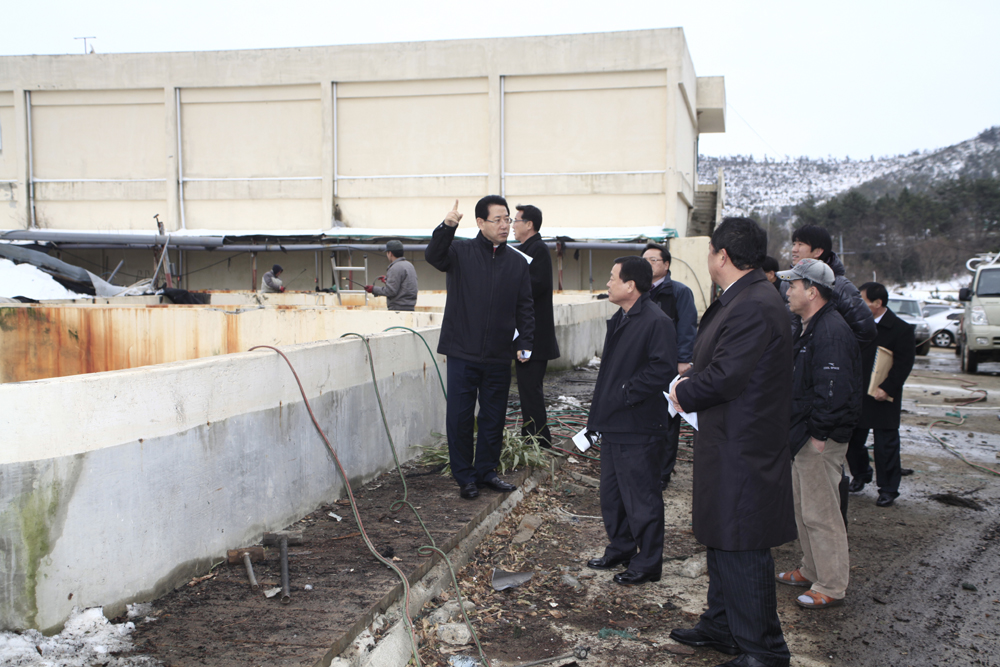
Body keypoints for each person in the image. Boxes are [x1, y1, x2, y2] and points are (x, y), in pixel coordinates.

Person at [668, 217, 795, 667]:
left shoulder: (754, 305)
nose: (708, 260)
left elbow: (726, 376)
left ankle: (764, 650)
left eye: (709, 253)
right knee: (723, 537)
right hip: (728, 439)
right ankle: (722, 625)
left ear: (722, 256)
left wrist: (683, 391)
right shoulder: (742, 299)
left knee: (742, 543)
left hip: (744, 446)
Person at [425, 197, 535, 500]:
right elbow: (433, 256)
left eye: (508, 219)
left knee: (493, 416)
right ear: (480, 223)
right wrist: (447, 226)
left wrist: (525, 341)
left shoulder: (516, 261)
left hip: (500, 354)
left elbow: (525, 305)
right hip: (463, 351)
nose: (504, 225)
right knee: (460, 417)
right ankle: (465, 477)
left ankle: (486, 471)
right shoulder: (460, 252)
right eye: (498, 219)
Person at [776, 259, 862, 610]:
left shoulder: (830, 332)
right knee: (805, 509)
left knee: (822, 513)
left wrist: (820, 434)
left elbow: (834, 389)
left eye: (794, 285)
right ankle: (811, 569)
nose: (788, 291)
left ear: (812, 291)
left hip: (818, 437)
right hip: (803, 433)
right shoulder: (809, 327)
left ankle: (831, 584)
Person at [585, 256, 676, 586]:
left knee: (642, 497)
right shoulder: (621, 318)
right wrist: (598, 415)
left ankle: (648, 562)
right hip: (614, 423)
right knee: (613, 495)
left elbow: (662, 369)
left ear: (630, 285)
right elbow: (609, 374)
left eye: (612, 278)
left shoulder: (656, 321)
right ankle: (621, 547)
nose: (608, 283)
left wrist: (625, 393)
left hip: (638, 424)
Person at [846, 282, 915, 507]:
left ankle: (888, 488)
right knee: (852, 440)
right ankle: (861, 474)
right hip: (857, 392)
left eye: (863, 301)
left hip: (882, 394)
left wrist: (888, 387)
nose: (858, 305)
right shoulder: (855, 325)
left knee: (885, 445)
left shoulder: (900, 329)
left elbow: (903, 364)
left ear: (878, 303)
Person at [641, 242, 697, 489]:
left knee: (668, 418)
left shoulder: (679, 292)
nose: (649, 264)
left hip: (668, 365)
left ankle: (663, 472)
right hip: (643, 365)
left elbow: (687, 327)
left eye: (654, 260)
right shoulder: (639, 290)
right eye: (645, 259)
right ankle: (645, 466)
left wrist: (684, 360)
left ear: (666, 264)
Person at [512, 204, 560, 447]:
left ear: (529, 224)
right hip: (527, 335)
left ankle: (539, 440)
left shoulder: (537, 249)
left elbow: (534, 286)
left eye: (516, 220)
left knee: (531, 390)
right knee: (527, 390)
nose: (512, 225)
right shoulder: (526, 249)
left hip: (534, 336)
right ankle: (531, 436)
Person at [782, 225, 876, 348]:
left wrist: (834, 353)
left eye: (801, 244)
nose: (794, 249)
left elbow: (866, 331)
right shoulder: (787, 282)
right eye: (794, 244)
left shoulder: (841, 287)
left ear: (818, 252)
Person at [366, 240, 418, 311]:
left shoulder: (395, 268)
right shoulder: (410, 265)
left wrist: (373, 289)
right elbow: (404, 285)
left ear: (390, 253)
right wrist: (388, 281)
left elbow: (390, 291)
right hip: (410, 307)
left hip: (397, 309)